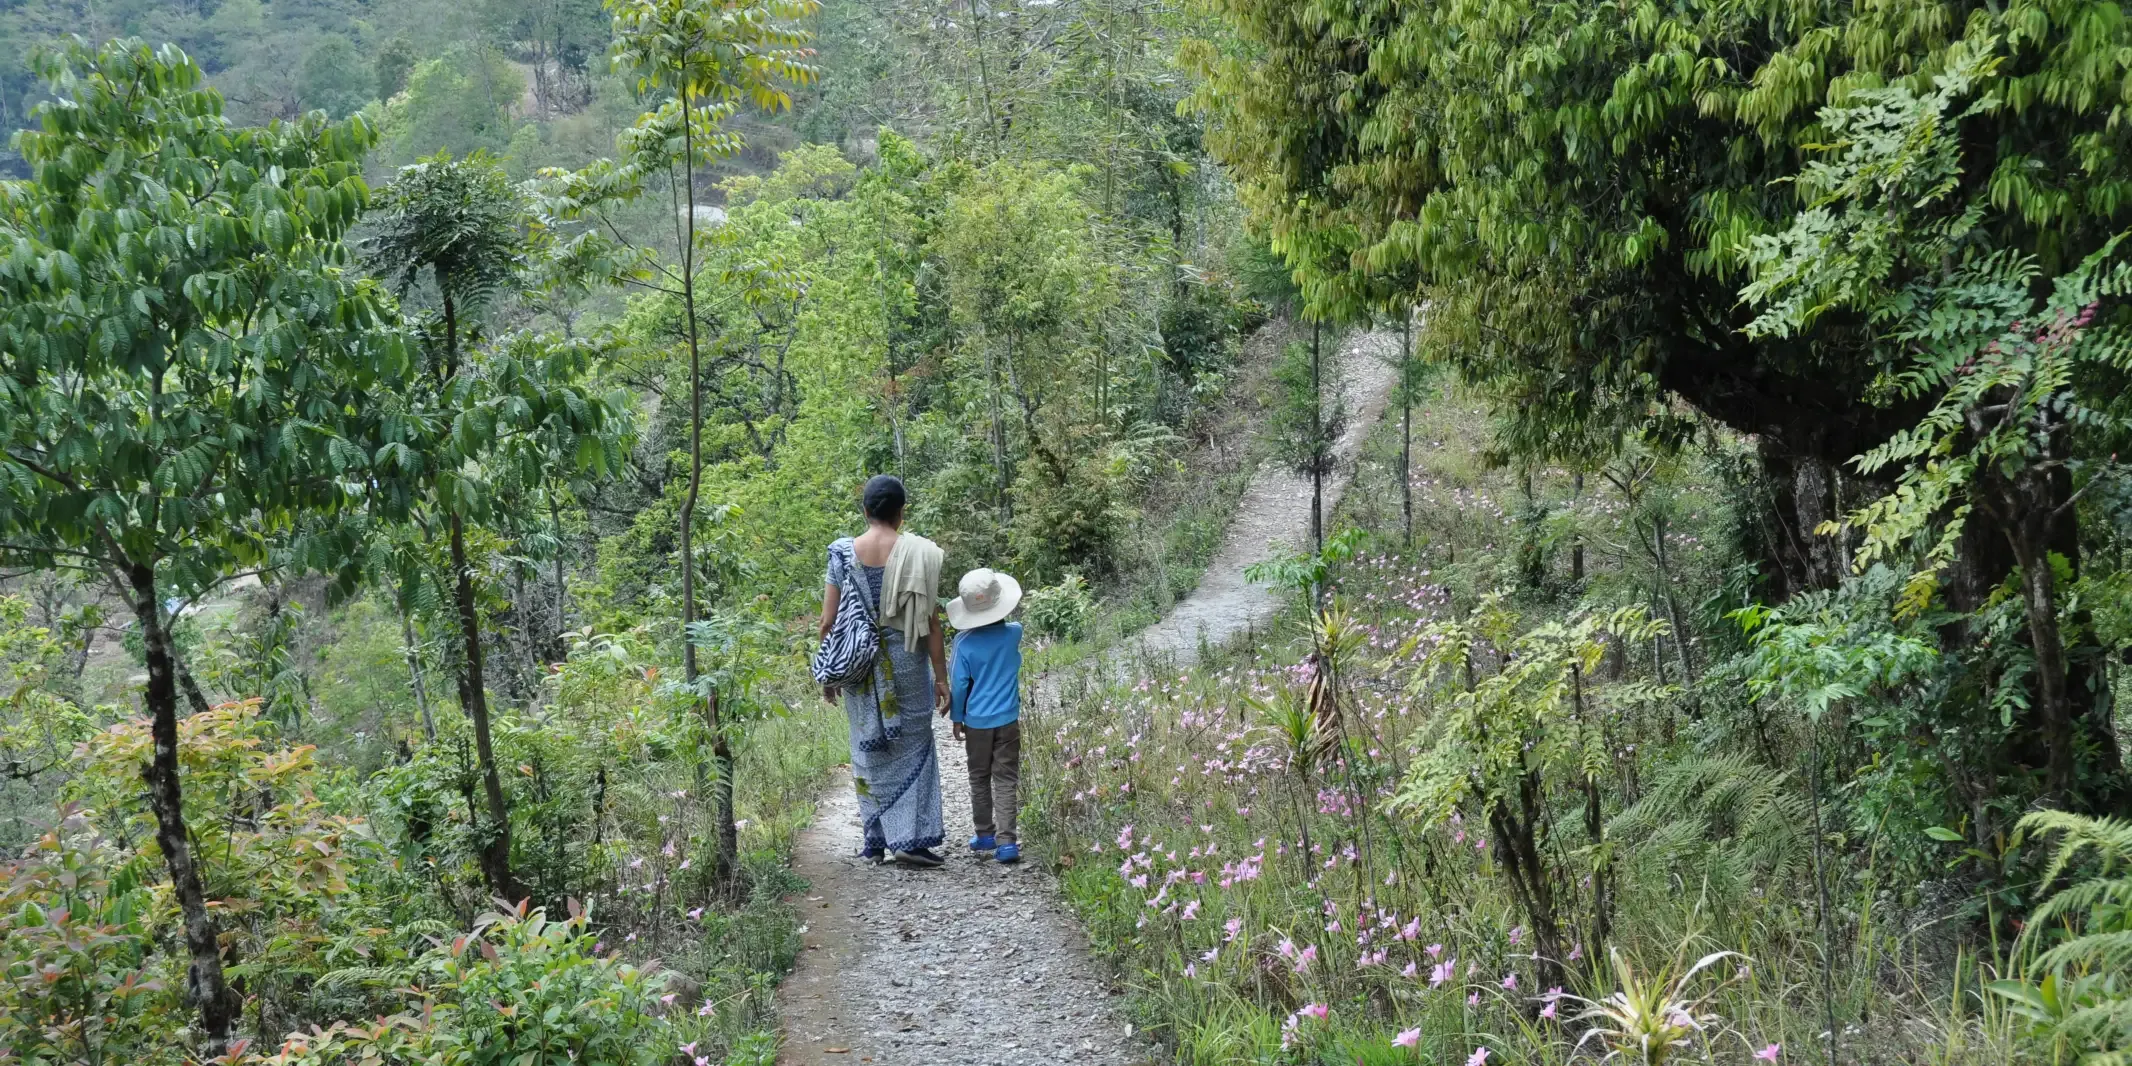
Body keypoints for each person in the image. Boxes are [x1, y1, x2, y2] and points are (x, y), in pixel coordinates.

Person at [819, 475, 950, 867]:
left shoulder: (841, 554)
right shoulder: (919, 552)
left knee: (866, 747)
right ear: (901, 513)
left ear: (865, 511)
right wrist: (941, 678)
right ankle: (909, 838)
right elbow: (931, 623)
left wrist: (830, 672)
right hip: (908, 660)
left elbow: (828, 621)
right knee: (915, 746)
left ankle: (876, 838)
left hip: (860, 668)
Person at [945, 567, 1025, 864]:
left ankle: (985, 835)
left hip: (976, 723)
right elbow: (1010, 629)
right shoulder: (1014, 633)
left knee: (979, 776)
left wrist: (957, 717)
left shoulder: (963, 645)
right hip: (1008, 720)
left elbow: (960, 684)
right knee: (1005, 778)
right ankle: (1007, 843)